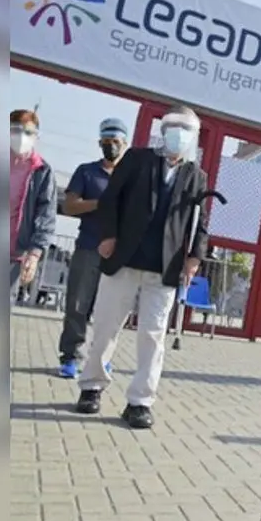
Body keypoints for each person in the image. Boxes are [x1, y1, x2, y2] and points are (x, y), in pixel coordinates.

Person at [73, 105, 210, 429]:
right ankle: (91, 387)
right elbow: (109, 201)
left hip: (163, 268)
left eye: (186, 128)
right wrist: (107, 236)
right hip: (124, 259)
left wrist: (194, 257)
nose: (179, 133)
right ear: (163, 130)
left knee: (152, 336)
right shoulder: (136, 159)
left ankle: (140, 401)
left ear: (193, 135)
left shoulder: (195, 175)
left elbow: (199, 222)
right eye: (173, 126)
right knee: (106, 326)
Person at [56, 117, 128, 378]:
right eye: (106, 142)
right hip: (88, 248)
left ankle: (101, 359)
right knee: (77, 305)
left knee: (109, 311)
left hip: (119, 254)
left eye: (116, 142)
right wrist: (101, 203)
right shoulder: (86, 171)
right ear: (100, 143)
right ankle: (70, 358)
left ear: (125, 143)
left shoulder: (129, 176)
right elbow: (69, 205)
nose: (111, 146)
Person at [9, 109, 57, 303]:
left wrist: (35, 253)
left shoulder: (42, 171)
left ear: (36, 136)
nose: (21, 136)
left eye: (28, 132)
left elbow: (46, 214)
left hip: (15, 253)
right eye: (15, 130)